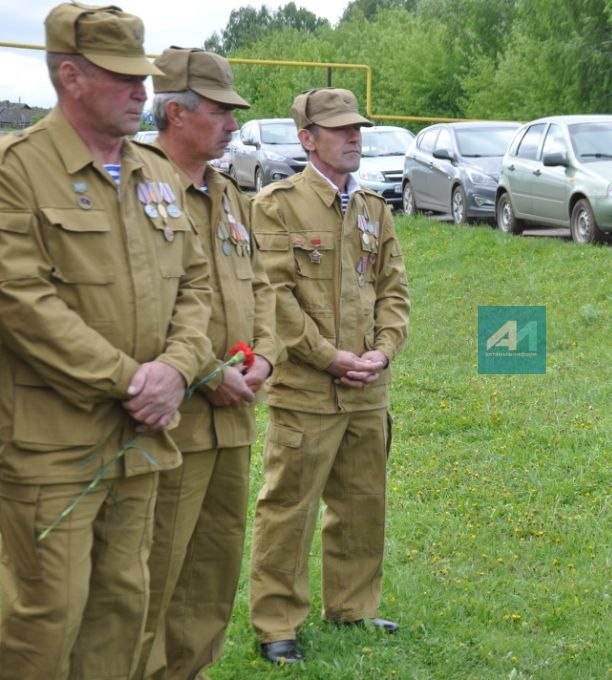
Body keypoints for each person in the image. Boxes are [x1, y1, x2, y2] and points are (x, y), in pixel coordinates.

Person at [0, 4, 212, 679]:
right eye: (123, 78)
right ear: (71, 76)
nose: (141, 94)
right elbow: (21, 302)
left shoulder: (153, 174)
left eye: (143, 78)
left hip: (140, 437)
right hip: (52, 443)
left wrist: (177, 371)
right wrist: (131, 380)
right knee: (46, 613)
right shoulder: (18, 169)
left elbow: (196, 286)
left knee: (123, 604)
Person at [247, 87, 410, 665]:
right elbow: (273, 296)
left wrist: (382, 353)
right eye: (340, 129)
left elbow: (393, 289)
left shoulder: (374, 207)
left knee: (363, 502)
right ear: (307, 138)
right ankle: (275, 624)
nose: (353, 137)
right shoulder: (275, 205)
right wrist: (328, 356)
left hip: (367, 387)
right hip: (307, 388)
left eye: (357, 128)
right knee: (289, 506)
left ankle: (353, 607)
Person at [133, 47, 278, 680]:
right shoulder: (136, 184)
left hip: (232, 423)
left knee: (212, 573)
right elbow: (129, 304)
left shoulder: (227, 193)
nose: (234, 124)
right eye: (221, 111)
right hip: (170, 426)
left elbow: (263, 287)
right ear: (176, 112)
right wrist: (202, 372)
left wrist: (265, 358)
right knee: (150, 577)